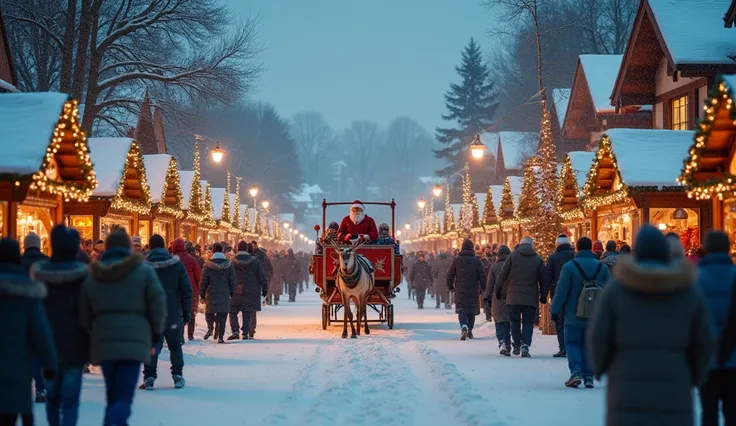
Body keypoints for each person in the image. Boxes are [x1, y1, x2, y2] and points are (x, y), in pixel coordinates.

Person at [588, 225, 714, 426]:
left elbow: (599, 336)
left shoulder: (618, 291)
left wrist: (602, 367)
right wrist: (693, 375)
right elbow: (704, 342)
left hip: (626, 385)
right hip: (675, 386)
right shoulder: (686, 292)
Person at [79, 229, 166, 426]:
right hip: (134, 340)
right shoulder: (143, 271)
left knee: (112, 393)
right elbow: (158, 304)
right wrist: (154, 333)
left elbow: (84, 308)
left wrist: (90, 333)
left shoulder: (95, 273)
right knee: (125, 395)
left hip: (104, 339)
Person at [31, 225, 90, 426]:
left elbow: (34, 316)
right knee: (70, 401)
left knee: (53, 399)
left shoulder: (39, 276)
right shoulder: (83, 278)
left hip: (47, 348)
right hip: (75, 348)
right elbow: (89, 315)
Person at [0, 238, 57, 426]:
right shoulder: (28, 292)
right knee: (15, 411)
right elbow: (41, 333)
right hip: (18, 364)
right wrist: (49, 365)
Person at [551, 237, 610, 388]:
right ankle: (588, 375)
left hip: (573, 313)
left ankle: (576, 372)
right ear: (590, 248)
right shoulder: (601, 267)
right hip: (595, 315)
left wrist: (555, 310)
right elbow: (611, 290)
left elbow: (561, 291)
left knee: (572, 343)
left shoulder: (570, 267)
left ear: (576, 248)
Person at [140, 234, 192, 390]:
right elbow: (186, 290)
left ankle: (149, 377)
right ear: (164, 247)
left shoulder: (143, 266)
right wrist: (187, 310)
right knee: (175, 345)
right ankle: (177, 375)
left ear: (149, 246)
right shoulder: (176, 265)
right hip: (172, 311)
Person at [695, 231, 736, 426]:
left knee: (708, 410)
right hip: (734, 355)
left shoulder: (697, 279)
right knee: (733, 410)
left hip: (706, 355)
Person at [495, 236, 548, 357]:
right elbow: (544, 278)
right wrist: (544, 295)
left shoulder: (512, 256)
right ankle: (525, 345)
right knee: (528, 322)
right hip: (530, 298)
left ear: (520, 244)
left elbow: (502, 274)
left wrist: (498, 289)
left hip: (513, 297)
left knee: (514, 321)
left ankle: (517, 344)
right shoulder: (537, 259)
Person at [20, 232, 52, 403]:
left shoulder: (18, 262)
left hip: (21, 313)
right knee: (40, 351)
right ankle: (40, 387)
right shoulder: (46, 262)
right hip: (43, 312)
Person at [543, 234, 575, 358]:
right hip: (574, 291)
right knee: (573, 318)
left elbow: (547, 277)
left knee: (559, 320)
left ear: (557, 244)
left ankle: (563, 348)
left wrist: (544, 294)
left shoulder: (553, 258)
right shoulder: (574, 255)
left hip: (557, 291)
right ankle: (573, 346)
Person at [447, 240, 486, 340]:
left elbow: (450, 275)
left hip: (460, 289)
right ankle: (470, 329)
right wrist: (483, 287)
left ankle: (464, 325)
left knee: (462, 310)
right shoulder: (477, 261)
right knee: (471, 311)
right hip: (473, 289)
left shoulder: (456, 260)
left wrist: (451, 286)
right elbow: (482, 276)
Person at [229, 242, 268, 340]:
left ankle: (235, 330)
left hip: (236, 289)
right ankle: (245, 333)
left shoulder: (232, 261)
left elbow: (228, 276)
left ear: (238, 249)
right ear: (247, 249)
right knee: (247, 312)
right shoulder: (255, 261)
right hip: (251, 290)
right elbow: (261, 276)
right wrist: (265, 288)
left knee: (233, 311)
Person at [199, 242, 236, 343]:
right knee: (223, 315)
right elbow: (232, 280)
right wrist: (233, 293)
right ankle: (220, 336)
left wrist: (201, 293)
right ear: (222, 251)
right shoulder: (229, 264)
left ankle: (211, 327)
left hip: (211, 293)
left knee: (209, 312)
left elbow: (204, 281)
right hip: (225, 292)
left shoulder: (207, 264)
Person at [484, 245, 512, 355]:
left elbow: (490, 284)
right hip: (511, 296)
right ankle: (508, 343)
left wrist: (486, 296)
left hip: (498, 296)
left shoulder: (494, 267)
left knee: (499, 321)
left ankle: (502, 342)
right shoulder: (512, 266)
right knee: (508, 322)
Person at [173, 239, 201, 341]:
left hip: (176, 289)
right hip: (191, 289)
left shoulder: (172, 259)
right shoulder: (192, 259)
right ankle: (190, 334)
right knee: (191, 310)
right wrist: (199, 289)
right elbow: (198, 276)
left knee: (178, 312)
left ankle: (180, 334)